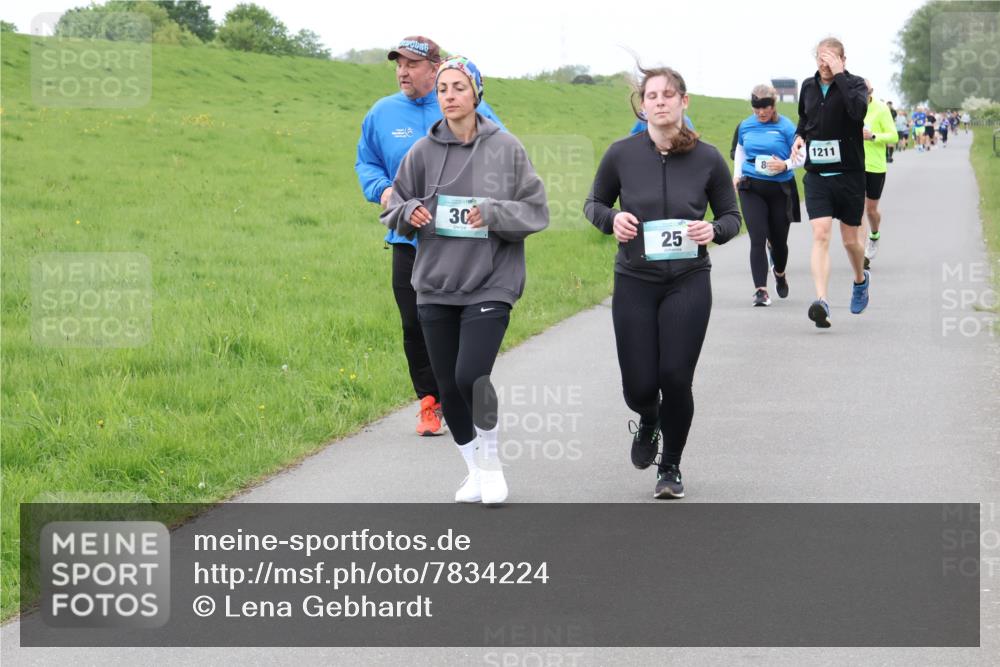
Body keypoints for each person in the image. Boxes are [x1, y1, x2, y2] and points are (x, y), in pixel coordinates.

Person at [381, 55, 548, 505]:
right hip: (436, 284)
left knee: (471, 375)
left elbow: (537, 211)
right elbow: (392, 207)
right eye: (442, 89)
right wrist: (407, 213)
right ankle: (473, 468)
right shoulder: (422, 151)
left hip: (491, 281)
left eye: (458, 87)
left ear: (476, 92)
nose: (449, 96)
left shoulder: (506, 148)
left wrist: (492, 214)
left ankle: (492, 466)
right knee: (447, 383)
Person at [585, 65, 741, 499]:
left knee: (675, 376)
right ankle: (649, 418)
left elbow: (732, 217)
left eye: (668, 95)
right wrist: (612, 219)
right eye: (651, 96)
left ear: (683, 102)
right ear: (643, 106)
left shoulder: (708, 158)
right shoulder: (621, 154)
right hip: (635, 279)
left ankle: (670, 465)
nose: (659, 102)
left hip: (688, 280)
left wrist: (714, 231)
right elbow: (593, 203)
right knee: (638, 386)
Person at [355, 36, 506, 437]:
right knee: (414, 324)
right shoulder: (382, 113)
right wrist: (384, 191)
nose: (403, 71)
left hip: (463, 244)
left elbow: (503, 160)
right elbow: (366, 163)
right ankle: (430, 401)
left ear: (436, 67)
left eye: (412, 64)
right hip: (409, 242)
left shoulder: (474, 110)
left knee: (462, 323)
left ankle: (469, 387)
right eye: (398, 64)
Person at [790, 37, 870, 328]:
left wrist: (841, 77)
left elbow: (857, 113)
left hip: (849, 174)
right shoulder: (808, 86)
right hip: (817, 175)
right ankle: (822, 301)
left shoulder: (856, 84)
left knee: (850, 242)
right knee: (821, 234)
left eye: (831, 59)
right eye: (821, 59)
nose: (824, 65)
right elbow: (804, 119)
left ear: (842, 60)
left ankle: (860, 279)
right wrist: (799, 137)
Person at [731, 84, 803, 306]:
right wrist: (737, 174)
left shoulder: (786, 127)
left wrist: (786, 164)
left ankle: (779, 273)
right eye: (756, 109)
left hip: (780, 189)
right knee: (757, 238)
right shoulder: (745, 126)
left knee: (779, 243)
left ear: (773, 106)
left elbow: (803, 155)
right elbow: (740, 150)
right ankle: (760, 290)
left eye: (765, 108)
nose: (761, 113)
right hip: (751, 187)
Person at [861, 81, 898, 270]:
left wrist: (873, 136)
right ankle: (860, 252)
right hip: (854, 165)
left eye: (864, 92)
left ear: (871, 92)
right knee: (856, 209)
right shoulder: (850, 107)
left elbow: (894, 136)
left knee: (871, 210)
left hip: (875, 166)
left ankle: (874, 235)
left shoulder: (881, 109)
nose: (860, 95)